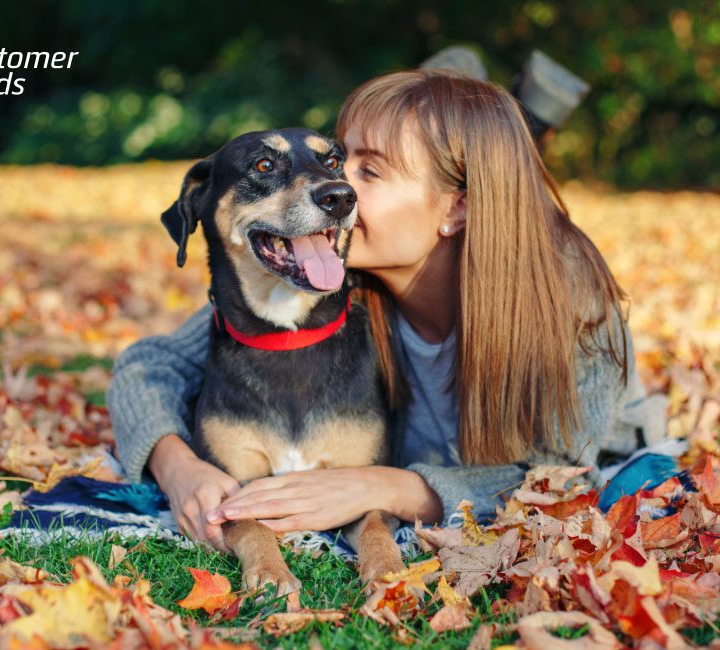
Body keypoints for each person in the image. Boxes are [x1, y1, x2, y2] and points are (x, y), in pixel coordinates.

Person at [106, 69, 663, 554]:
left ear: (459, 206)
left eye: (368, 173)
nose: (333, 186)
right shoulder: (329, 281)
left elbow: (559, 480)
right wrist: (177, 468)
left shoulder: (569, 309)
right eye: (340, 159)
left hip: (600, 427)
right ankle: (470, 87)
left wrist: (385, 487)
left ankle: (524, 119)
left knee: (485, 137)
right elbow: (148, 366)